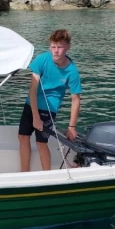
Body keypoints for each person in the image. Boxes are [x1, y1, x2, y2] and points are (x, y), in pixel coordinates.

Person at [18, 29, 82, 172]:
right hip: (31, 104)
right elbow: (32, 89)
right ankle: (24, 173)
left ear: (68, 47)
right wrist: (35, 117)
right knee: (22, 136)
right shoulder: (42, 59)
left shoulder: (72, 71)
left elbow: (76, 99)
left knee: (41, 142)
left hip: (49, 108)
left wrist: (71, 127)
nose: (56, 51)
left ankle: (47, 175)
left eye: (60, 47)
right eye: (53, 47)